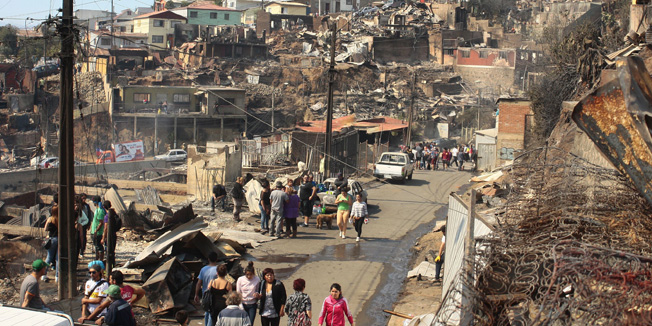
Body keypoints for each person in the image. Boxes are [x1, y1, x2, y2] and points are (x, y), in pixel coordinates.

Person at [80, 270, 146, 323]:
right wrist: (131, 302)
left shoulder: (114, 292)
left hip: (118, 319)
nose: (109, 281)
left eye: (110, 279)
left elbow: (101, 307)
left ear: (114, 281)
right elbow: (142, 292)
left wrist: (88, 319)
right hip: (129, 316)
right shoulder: (129, 289)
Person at [195, 252, 219, 326]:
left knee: (207, 312)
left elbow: (199, 283)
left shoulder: (203, 269)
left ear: (208, 259)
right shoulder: (218, 270)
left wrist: (196, 294)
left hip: (205, 295)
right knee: (212, 313)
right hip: (214, 295)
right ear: (217, 259)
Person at [102, 200, 119, 271]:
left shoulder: (107, 216)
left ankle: (109, 267)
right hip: (114, 234)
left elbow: (106, 228)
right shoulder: (114, 214)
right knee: (112, 251)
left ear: (103, 207)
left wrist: (103, 238)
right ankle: (113, 265)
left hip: (109, 237)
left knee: (108, 251)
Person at [43, 206, 59, 282]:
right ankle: (57, 277)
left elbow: (45, 229)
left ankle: (44, 274)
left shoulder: (50, 219)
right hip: (59, 239)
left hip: (51, 239)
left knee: (49, 257)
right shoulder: (60, 219)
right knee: (58, 259)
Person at [91, 196, 106, 261]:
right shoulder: (97, 210)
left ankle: (100, 261)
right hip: (94, 231)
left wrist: (96, 231)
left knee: (99, 247)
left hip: (97, 232)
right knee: (96, 246)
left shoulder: (100, 210)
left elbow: (101, 222)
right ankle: (97, 259)